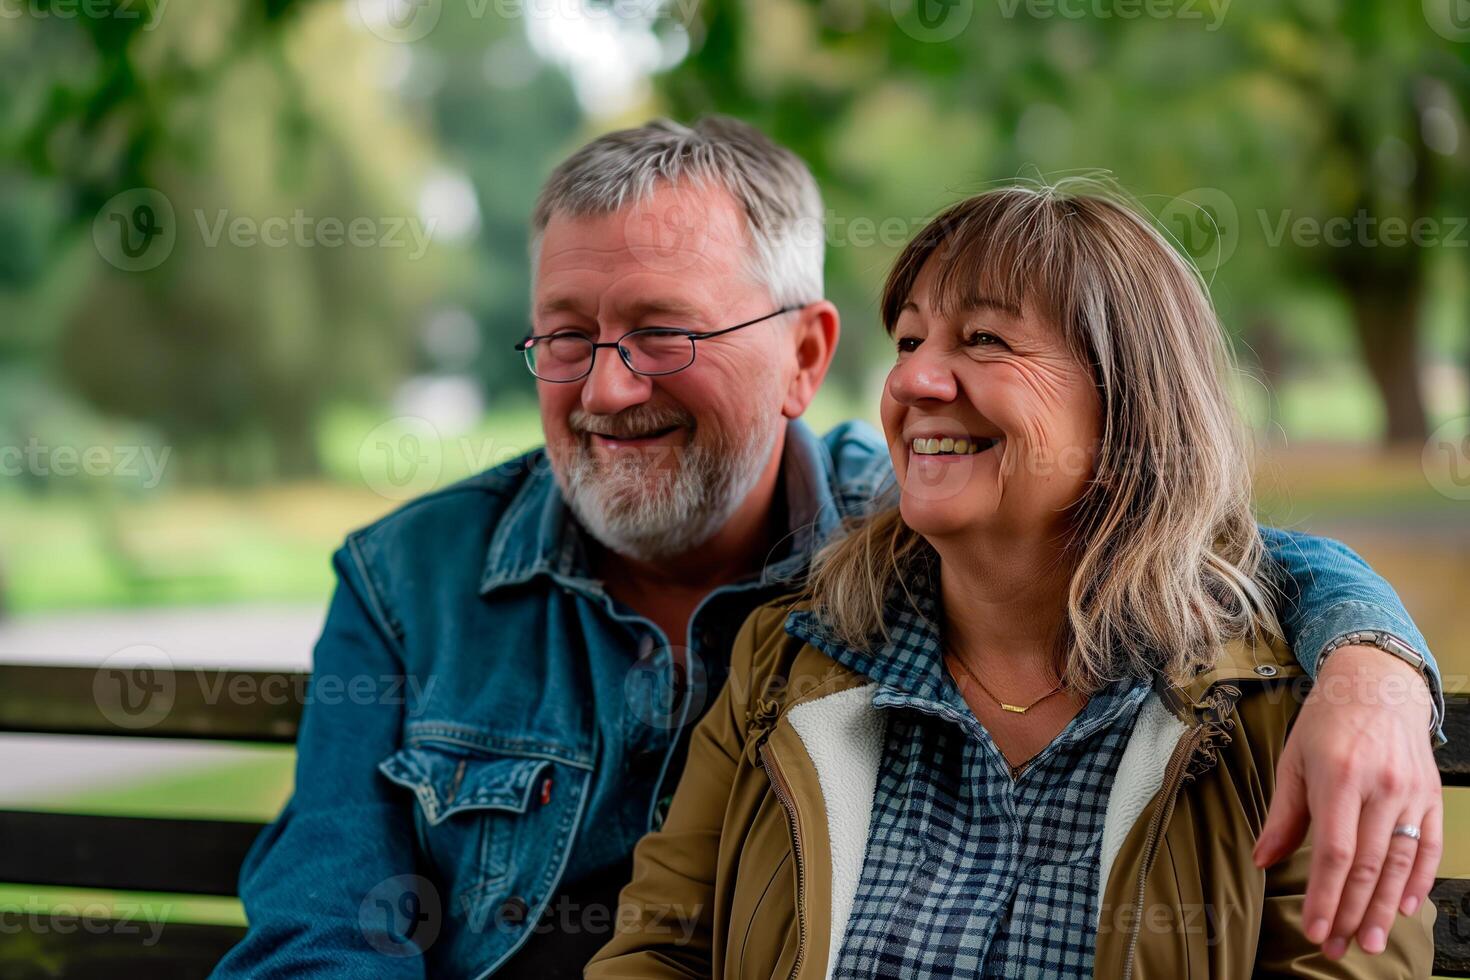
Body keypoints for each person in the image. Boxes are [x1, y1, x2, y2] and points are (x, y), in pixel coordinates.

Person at [212, 119, 1445, 979]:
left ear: (804, 355)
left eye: (659, 329)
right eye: (564, 336)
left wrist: (1374, 662)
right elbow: (323, 927)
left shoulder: (900, 528)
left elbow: (1195, 537)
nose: (603, 386)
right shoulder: (408, 579)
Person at [587, 183, 1437, 978]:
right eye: (911, 339)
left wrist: (1375, 668)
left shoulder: (1278, 706)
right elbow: (658, 953)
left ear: (1128, 403)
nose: (912, 380)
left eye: (985, 340)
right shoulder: (788, 659)